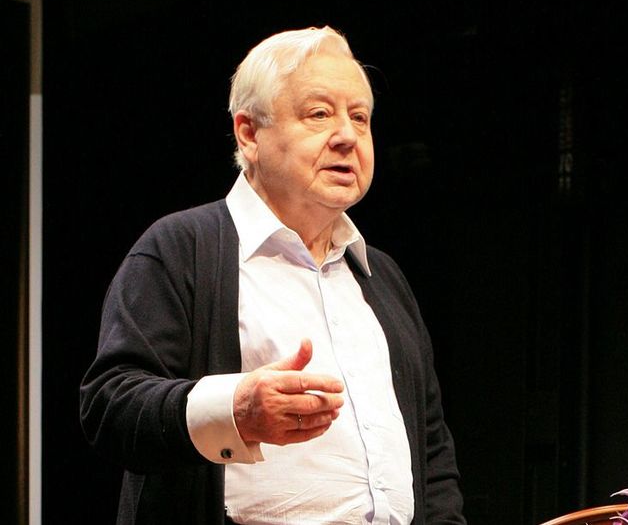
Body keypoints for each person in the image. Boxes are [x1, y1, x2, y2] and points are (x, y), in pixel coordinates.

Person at [80, 26, 465, 525]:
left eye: (359, 117)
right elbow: (109, 406)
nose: (347, 136)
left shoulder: (382, 277)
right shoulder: (180, 249)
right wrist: (234, 411)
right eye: (319, 114)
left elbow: (431, 452)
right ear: (249, 133)